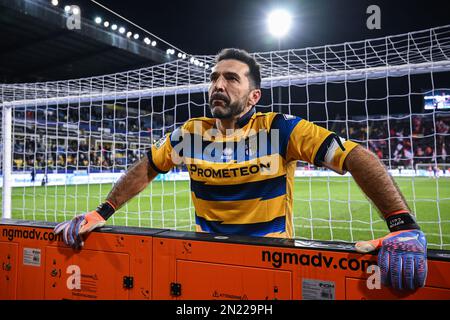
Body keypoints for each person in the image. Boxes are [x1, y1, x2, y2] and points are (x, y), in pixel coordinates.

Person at [54, 48, 427, 291]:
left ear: (254, 96)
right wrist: (102, 211)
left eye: (231, 78)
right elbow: (147, 167)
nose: (218, 84)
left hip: (273, 268)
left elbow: (356, 156)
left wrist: (402, 224)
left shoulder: (281, 128)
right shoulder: (191, 134)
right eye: (215, 77)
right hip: (205, 265)